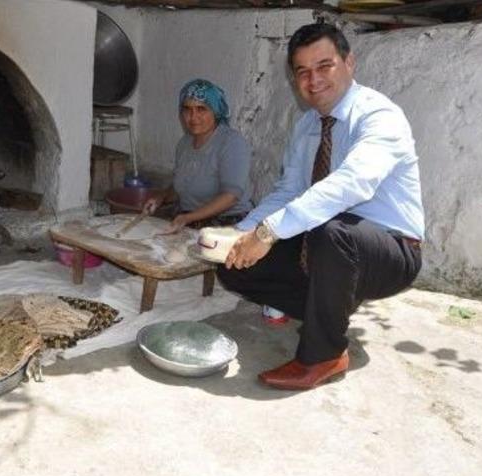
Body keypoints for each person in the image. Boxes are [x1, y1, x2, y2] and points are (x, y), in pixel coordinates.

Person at [218, 24, 424, 390]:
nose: (314, 80)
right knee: (235, 266)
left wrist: (269, 231)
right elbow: (288, 192)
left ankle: (324, 354)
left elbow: (352, 183)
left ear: (349, 63)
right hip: (329, 243)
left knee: (334, 231)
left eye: (324, 66)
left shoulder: (379, 115)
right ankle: (329, 308)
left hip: (390, 250)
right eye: (302, 71)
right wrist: (240, 233)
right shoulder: (307, 126)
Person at [142, 79, 253, 232]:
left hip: (227, 222)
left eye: (201, 109)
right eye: (187, 109)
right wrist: (161, 197)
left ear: (216, 111)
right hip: (190, 218)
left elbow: (231, 197)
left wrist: (189, 218)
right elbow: (181, 187)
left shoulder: (231, 143)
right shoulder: (184, 143)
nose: (193, 117)